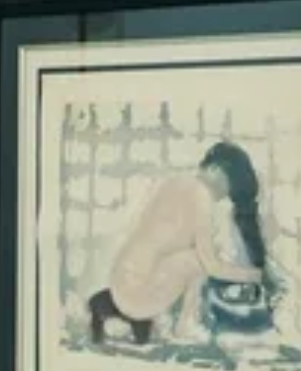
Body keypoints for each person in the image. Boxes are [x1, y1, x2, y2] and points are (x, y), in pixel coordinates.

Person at [85, 139, 275, 348]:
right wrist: (254, 275)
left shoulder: (174, 183)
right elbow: (211, 266)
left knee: (198, 254)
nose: (223, 197)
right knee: (201, 260)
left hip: (119, 284)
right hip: (139, 297)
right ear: (214, 169)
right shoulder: (201, 196)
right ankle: (186, 325)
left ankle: (167, 320)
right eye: (226, 187)